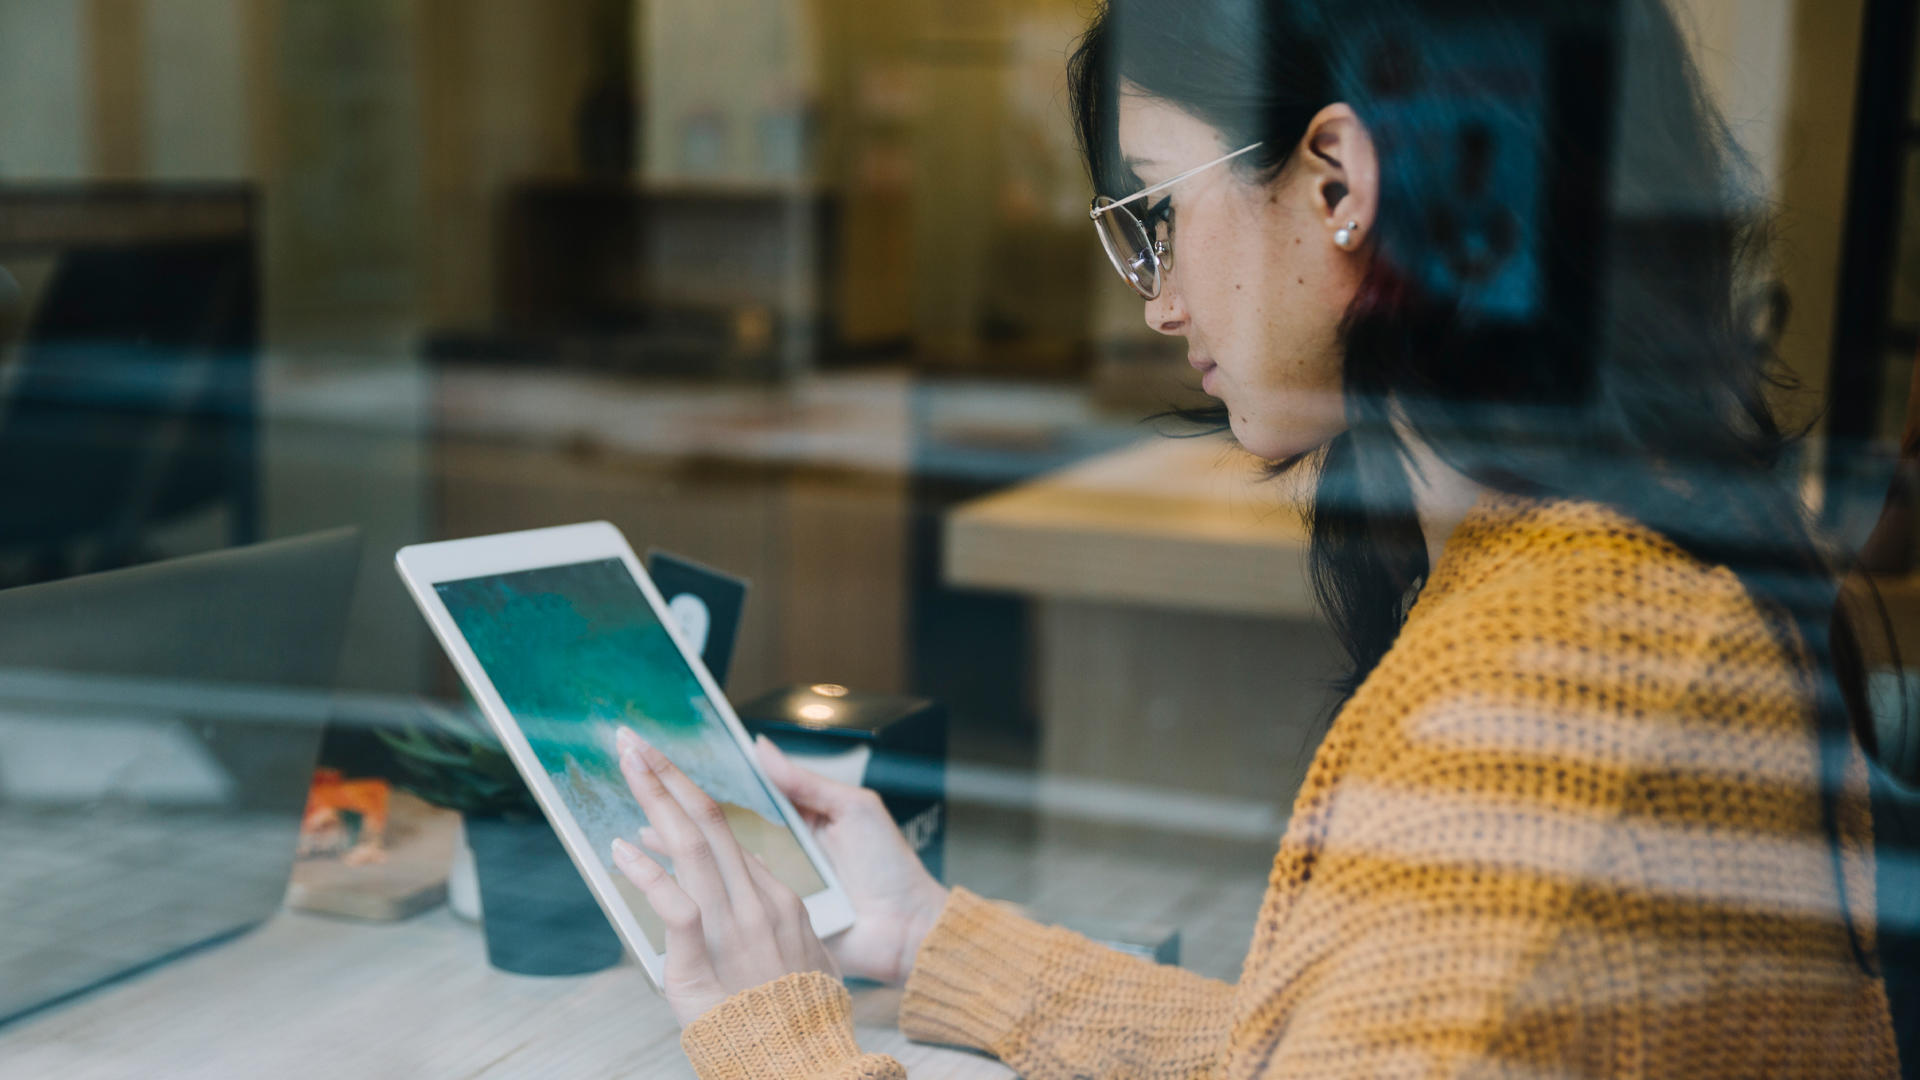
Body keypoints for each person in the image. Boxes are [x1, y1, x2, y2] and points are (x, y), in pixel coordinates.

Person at [605, 0, 1905, 1076]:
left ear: (1338, 182)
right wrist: (929, 936)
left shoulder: (1547, 706)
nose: (1162, 305)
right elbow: (1342, 1044)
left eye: (1159, 214)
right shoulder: (1591, 588)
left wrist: (774, 1037)